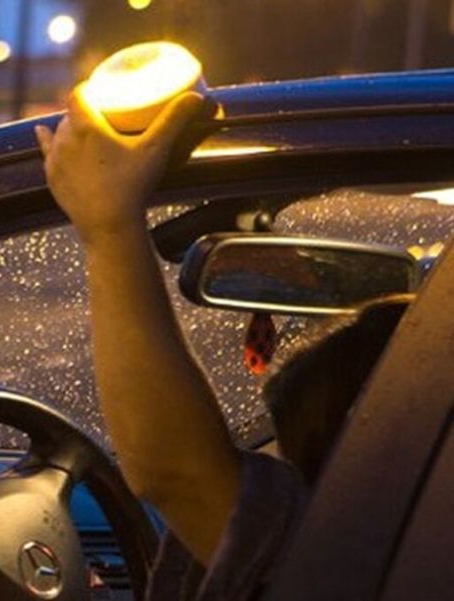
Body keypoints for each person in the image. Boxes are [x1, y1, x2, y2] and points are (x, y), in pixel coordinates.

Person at [34, 91, 410, 600]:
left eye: (290, 459)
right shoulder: (408, 538)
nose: (274, 468)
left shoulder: (351, 553)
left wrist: (110, 225)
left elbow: (176, 473)